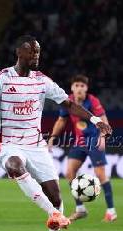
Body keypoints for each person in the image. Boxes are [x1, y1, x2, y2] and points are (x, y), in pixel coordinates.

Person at [0, 35, 112, 231]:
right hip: (9, 143)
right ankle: (54, 215)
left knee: (55, 193)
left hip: (35, 144)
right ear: (19, 53)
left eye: (38, 52)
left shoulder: (42, 80)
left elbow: (69, 104)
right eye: (32, 52)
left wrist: (96, 120)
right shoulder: (2, 78)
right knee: (15, 166)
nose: (36, 55)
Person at [49, 75, 117, 222]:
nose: (79, 88)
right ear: (72, 88)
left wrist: (102, 137)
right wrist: (52, 138)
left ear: (86, 88)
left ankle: (111, 211)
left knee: (100, 174)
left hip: (94, 140)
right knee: (69, 173)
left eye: (82, 86)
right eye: (77, 85)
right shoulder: (68, 101)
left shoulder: (92, 101)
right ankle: (80, 209)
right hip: (79, 142)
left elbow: (104, 120)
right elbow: (61, 120)